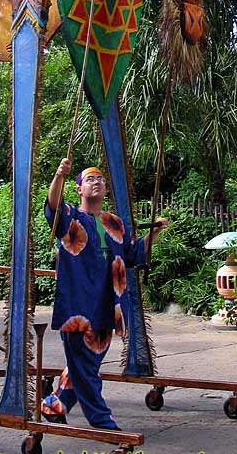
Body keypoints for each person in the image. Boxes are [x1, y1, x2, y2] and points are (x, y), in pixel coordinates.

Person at [41, 157, 168, 431]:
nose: (96, 182)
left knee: (83, 366)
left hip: (109, 308)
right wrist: (59, 175)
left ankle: (53, 405)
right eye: (89, 179)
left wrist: (154, 234)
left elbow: (133, 256)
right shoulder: (70, 217)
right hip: (78, 307)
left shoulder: (115, 224)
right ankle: (104, 425)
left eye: (100, 179)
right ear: (79, 189)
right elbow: (52, 207)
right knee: (86, 372)